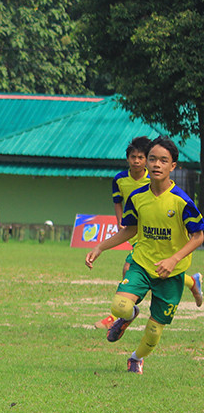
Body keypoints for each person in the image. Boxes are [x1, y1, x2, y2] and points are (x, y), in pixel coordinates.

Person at [85, 136, 204, 374]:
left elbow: (198, 236)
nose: (157, 164)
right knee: (119, 307)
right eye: (153, 159)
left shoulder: (182, 201)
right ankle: (130, 315)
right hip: (141, 263)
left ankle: (136, 358)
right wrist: (100, 247)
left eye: (163, 160)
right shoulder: (138, 197)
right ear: (147, 163)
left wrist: (174, 259)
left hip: (172, 272)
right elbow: (130, 229)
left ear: (173, 166)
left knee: (154, 330)